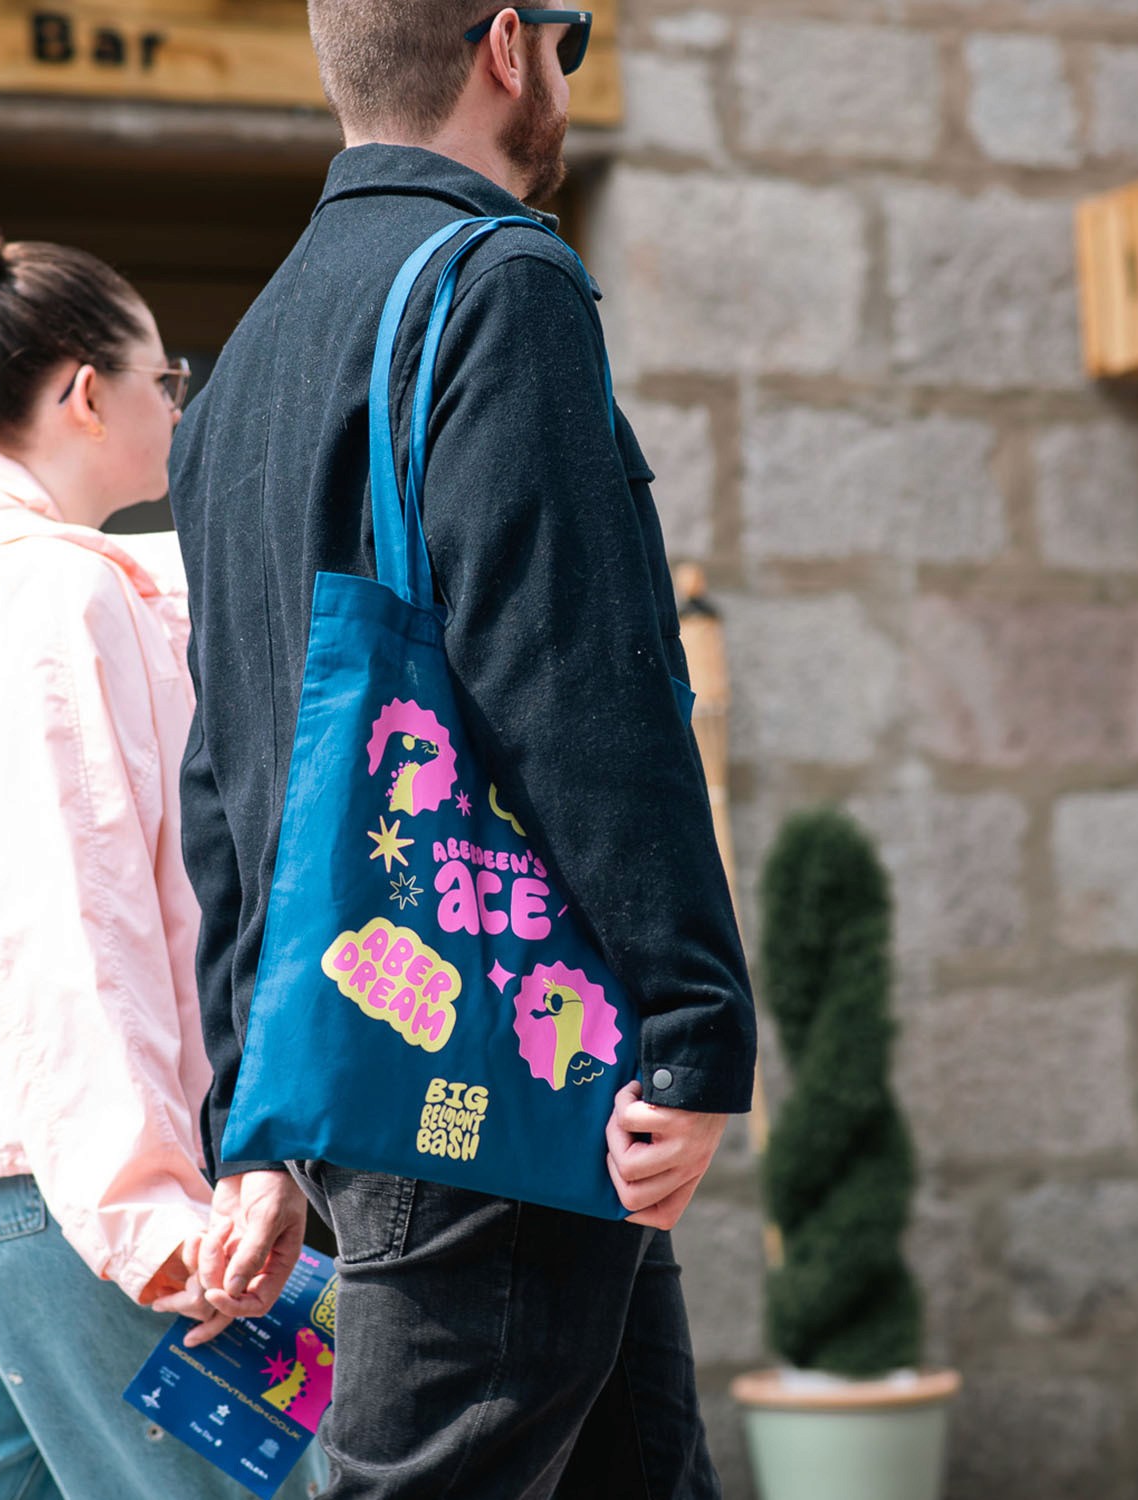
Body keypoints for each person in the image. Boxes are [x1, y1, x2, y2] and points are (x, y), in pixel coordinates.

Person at [169, 5, 758, 1497]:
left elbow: (225, 763)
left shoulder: (240, 367)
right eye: (568, 34)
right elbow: (581, 677)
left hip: (380, 1054)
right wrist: (696, 1016)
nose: (567, 64)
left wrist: (252, 1107)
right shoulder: (500, 283)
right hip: (503, 1067)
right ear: (507, 43)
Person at [0, 211, 323, 1500]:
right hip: (43, 1185)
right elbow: (68, 918)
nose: (179, 404)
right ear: (89, 394)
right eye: (170, 378)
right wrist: (152, 1213)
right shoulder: (54, 596)